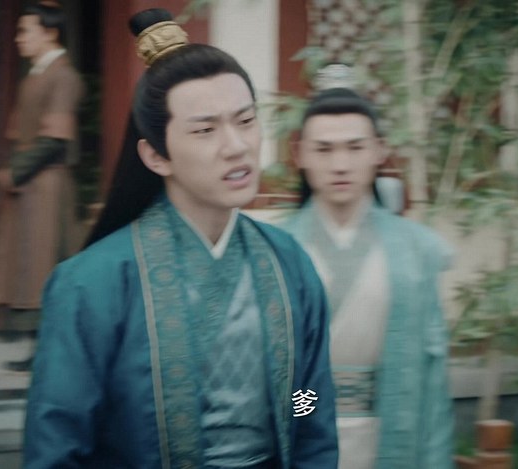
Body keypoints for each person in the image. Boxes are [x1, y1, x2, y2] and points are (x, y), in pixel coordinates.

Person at [22, 8, 337, 469]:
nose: (236, 146)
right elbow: (60, 438)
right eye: (205, 129)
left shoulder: (289, 262)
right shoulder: (91, 284)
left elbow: (308, 396)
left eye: (245, 121)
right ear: (156, 155)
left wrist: (299, 420)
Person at [282, 87, 455, 469]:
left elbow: (432, 380)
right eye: (324, 149)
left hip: (393, 420)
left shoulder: (417, 250)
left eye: (355, 148)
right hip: (312, 417)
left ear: (379, 150)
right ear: (300, 154)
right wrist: (305, 423)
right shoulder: (278, 250)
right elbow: (280, 373)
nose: (340, 164)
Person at [0, 0, 84, 371]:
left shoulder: (63, 76)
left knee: (45, 263)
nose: (19, 38)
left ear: (50, 33)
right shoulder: (36, 75)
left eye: (25, 30)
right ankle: (39, 351)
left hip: (46, 184)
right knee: (31, 264)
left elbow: (54, 141)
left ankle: (55, 353)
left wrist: (15, 173)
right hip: (32, 184)